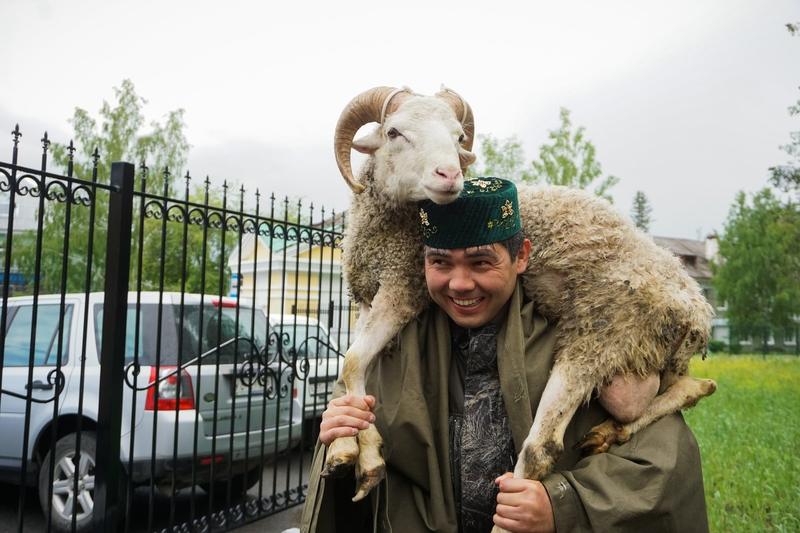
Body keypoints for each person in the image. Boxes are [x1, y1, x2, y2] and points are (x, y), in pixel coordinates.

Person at [300, 178, 709, 532]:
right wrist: (337, 433)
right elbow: (354, 482)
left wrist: (562, 505)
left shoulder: (584, 337)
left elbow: (664, 457)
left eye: (481, 262)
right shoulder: (391, 350)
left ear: (521, 256)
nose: (460, 283)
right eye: (440, 262)